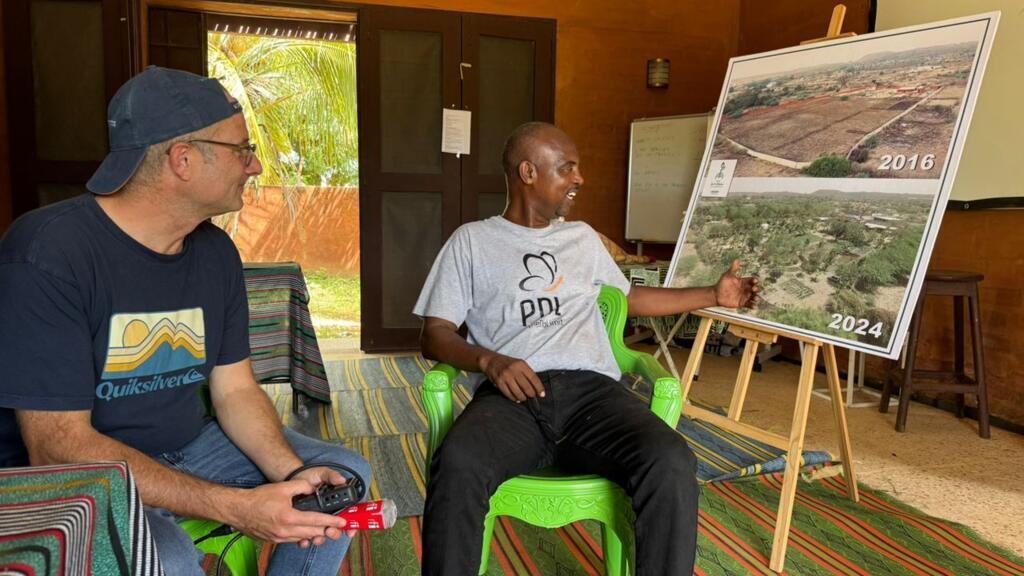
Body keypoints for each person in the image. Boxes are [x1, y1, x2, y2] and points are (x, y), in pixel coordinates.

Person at [0, 67, 370, 576]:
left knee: (344, 481)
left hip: (189, 448)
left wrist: (294, 475)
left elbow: (235, 392)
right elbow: (58, 448)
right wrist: (236, 507)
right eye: (242, 150)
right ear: (183, 159)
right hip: (83, 476)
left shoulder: (215, 252)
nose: (256, 166)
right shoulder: (48, 253)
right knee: (166, 555)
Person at [414, 122, 761, 575]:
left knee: (671, 461)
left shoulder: (581, 239)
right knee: (458, 463)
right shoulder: (472, 242)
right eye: (567, 169)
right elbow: (433, 333)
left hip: (593, 396)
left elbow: (630, 299)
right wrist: (489, 360)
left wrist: (713, 296)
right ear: (528, 172)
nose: (580, 179)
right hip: (511, 399)